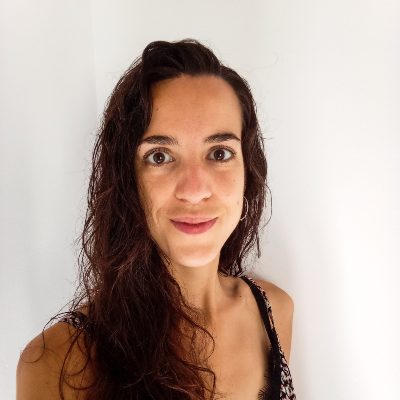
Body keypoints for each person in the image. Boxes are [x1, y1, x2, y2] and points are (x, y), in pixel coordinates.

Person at [17, 39, 296, 400]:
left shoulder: (274, 312)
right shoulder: (57, 363)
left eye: (219, 153)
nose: (194, 190)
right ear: (127, 181)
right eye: (160, 156)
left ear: (248, 172)